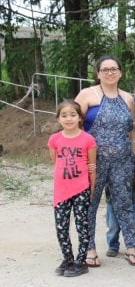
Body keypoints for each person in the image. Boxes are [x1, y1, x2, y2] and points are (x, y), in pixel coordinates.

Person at [75, 55, 135, 267]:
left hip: (122, 161)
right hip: (93, 162)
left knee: (125, 204)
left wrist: (131, 159)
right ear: (98, 74)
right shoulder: (87, 95)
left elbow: (130, 131)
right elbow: (72, 126)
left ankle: (131, 246)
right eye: (105, 69)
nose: (110, 73)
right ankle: (89, 248)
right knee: (90, 204)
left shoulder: (128, 98)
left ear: (121, 72)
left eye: (114, 69)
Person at [48, 100, 97, 277]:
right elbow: (56, 162)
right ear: (58, 119)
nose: (69, 118)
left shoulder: (88, 139)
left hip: (81, 189)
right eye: (64, 115)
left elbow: (91, 165)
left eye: (73, 115)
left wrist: (91, 188)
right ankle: (67, 258)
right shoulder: (55, 139)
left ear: (80, 118)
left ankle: (81, 261)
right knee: (61, 226)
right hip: (61, 190)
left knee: (82, 225)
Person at [104, 154, 135, 257]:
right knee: (113, 225)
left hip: (131, 195)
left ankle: (133, 244)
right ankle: (113, 245)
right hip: (112, 197)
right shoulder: (107, 157)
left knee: (134, 222)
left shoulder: (132, 156)